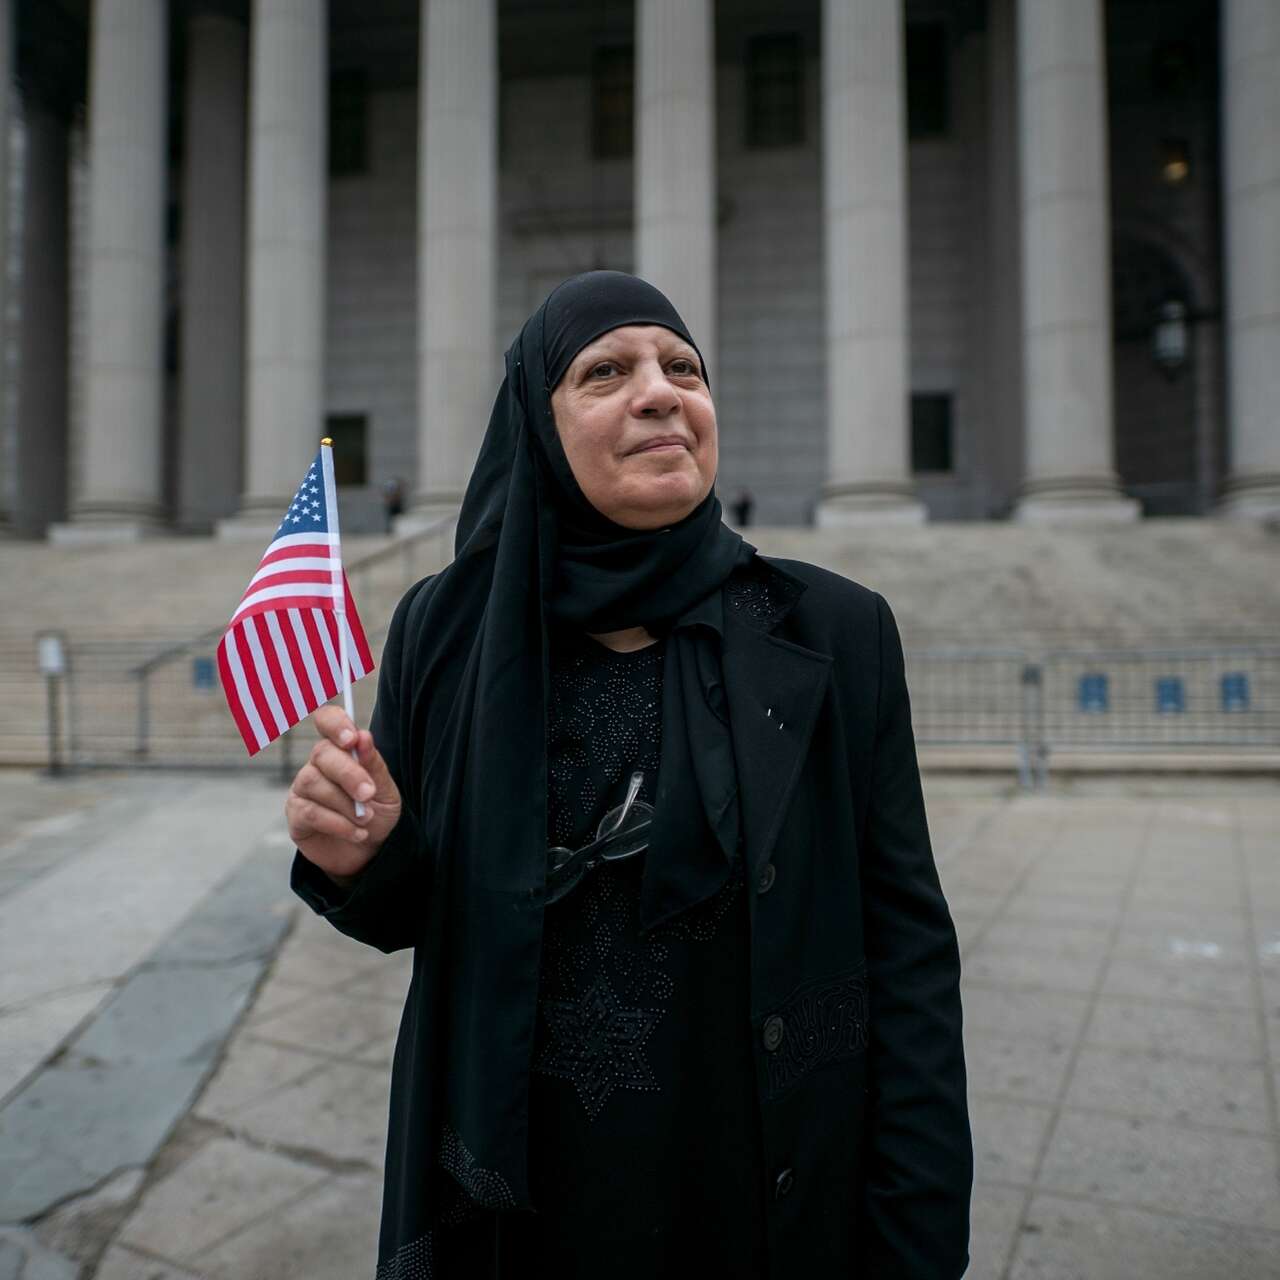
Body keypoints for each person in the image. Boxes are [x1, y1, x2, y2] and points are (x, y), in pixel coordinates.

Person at [286, 271, 971, 1278]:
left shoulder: (831, 629)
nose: (660, 391)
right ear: (537, 426)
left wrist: (916, 1233)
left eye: (681, 366)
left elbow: (907, 949)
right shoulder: (448, 629)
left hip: (763, 1192)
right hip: (519, 1201)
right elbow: (425, 914)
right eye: (605, 370)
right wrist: (368, 854)